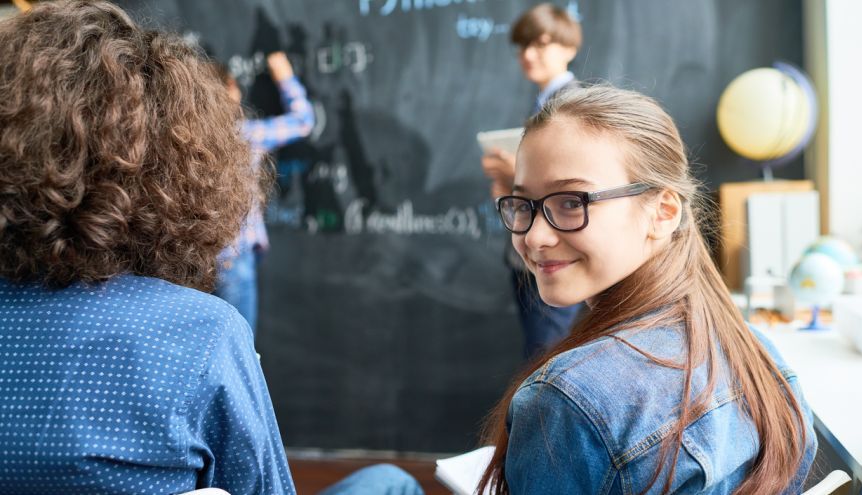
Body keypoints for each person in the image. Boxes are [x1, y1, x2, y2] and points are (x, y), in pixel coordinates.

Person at [0, 2, 422, 494]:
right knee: (389, 482)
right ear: (181, 163)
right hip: (225, 277)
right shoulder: (204, 335)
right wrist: (284, 73)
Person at [478, 85, 817, 494]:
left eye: (571, 202)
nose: (534, 237)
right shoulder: (758, 353)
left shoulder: (567, 402)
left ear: (663, 212)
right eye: (523, 204)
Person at [481, 3, 584, 358]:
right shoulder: (543, 103)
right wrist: (509, 188)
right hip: (530, 252)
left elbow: (575, 186)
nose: (528, 55)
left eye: (540, 44)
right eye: (522, 46)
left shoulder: (572, 105)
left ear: (568, 48)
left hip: (555, 253)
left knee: (545, 355)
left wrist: (516, 176)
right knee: (540, 350)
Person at [214, 50, 315, 335]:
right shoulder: (246, 135)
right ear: (229, 92)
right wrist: (285, 77)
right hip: (234, 258)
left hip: (187, 261)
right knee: (241, 349)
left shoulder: (181, 138)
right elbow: (303, 120)